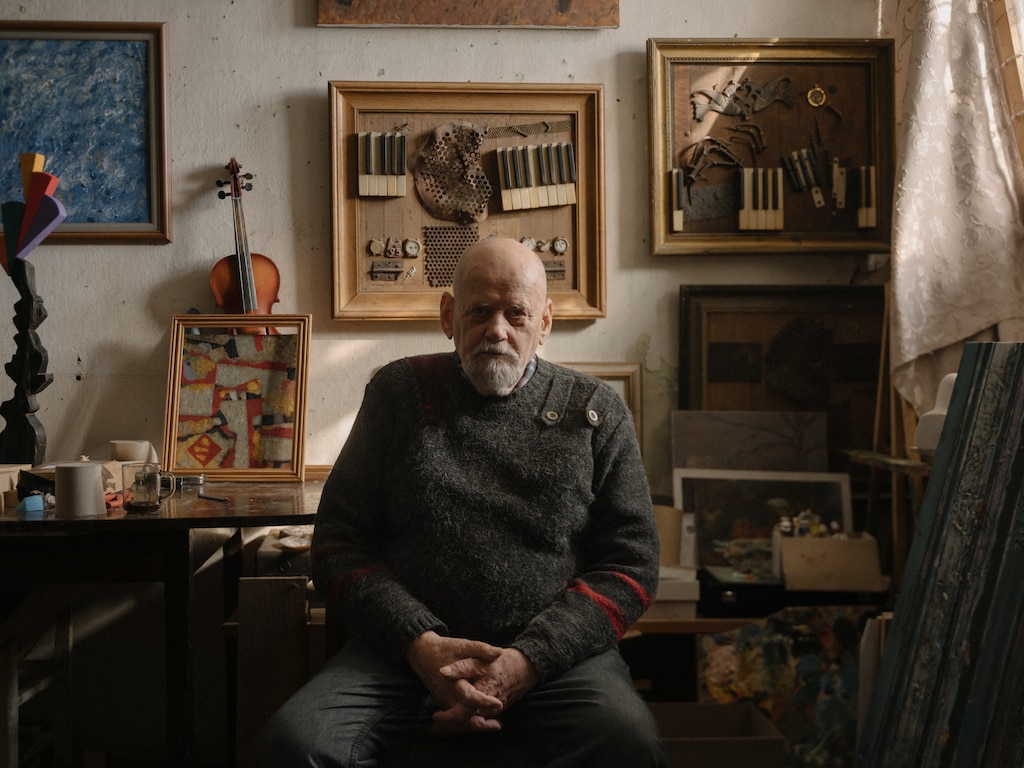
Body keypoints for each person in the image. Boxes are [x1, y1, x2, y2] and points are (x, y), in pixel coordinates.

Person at [260, 237, 667, 767]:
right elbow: (339, 546)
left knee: (628, 746)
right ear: (449, 316)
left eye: (516, 314)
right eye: (480, 311)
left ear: (544, 323)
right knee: (296, 744)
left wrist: (530, 660)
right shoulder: (397, 393)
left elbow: (631, 566)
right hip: (401, 658)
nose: (497, 330)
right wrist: (419, 645)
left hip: (556, 667)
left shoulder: (595, 411)